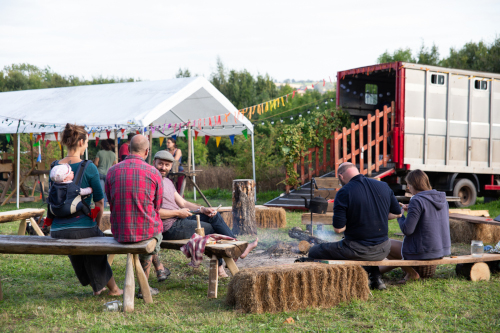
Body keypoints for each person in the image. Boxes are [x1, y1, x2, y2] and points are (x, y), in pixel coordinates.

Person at [151, 150, 258, 278]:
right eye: (160, 164)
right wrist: (178, 213)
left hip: (178, 219)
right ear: (154, 162)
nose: (163, 167)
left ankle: (237, 246)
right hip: (168, 228)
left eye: (167, 165)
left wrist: (202, 209)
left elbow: (183, 203)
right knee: (211, 230)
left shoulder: (167, 182)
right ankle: (222, 265)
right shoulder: (150, 182)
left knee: (214, 215)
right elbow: (152, 213)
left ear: (171, 166)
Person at [50, 123, 122, 296]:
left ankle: (97, 286)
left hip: (56, 230)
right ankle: (114, 289)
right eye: (87, 142)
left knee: (81, 243)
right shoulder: (89, 167)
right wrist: (96, 224)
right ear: (81, 141)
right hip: (81, 227)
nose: (88, 145)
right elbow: (99, 202)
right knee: (95, 243)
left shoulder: (54, 166)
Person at [307, 162, 402, 290]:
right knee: (366, 248)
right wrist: (373, 217)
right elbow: (397, 213)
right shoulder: (383, 185)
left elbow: (338, 229)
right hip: (383, 249)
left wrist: (356, 220)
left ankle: (332, 284)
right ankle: (375, 278)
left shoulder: (344, 191)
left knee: (314, 250)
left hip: (358, 250)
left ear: (341, 176)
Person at [105, 134, 164, 298]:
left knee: (151, 228)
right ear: (147, 152)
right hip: (146, 232)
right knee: (156, 230)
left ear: (129, 149)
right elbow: (157, 206)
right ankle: (143, 286)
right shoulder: (154, 172)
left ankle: (158, 270)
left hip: (120, 233)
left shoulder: (112, 170)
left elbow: (110, 200)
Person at [379, 170, 451, 283]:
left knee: (382, 243)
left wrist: (400, 215)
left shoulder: (417, 199)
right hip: (440, 251)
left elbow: (407, 230)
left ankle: (411, 273)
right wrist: (412, 210)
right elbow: (428, 219)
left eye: (408, 184)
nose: (408, 187)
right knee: (394, 252)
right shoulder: (442, 199)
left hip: (424, 252)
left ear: (414, 184)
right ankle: (375, 272)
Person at [94, 139, 116, 207]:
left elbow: (96, 163)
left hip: (100, 173)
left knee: (101, 190)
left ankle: (103, 205)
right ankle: (107, 204)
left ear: (102, 145)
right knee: (107, 190)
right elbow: (114, 165)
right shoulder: (113, 154)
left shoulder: (99, 153)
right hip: (109, 173)